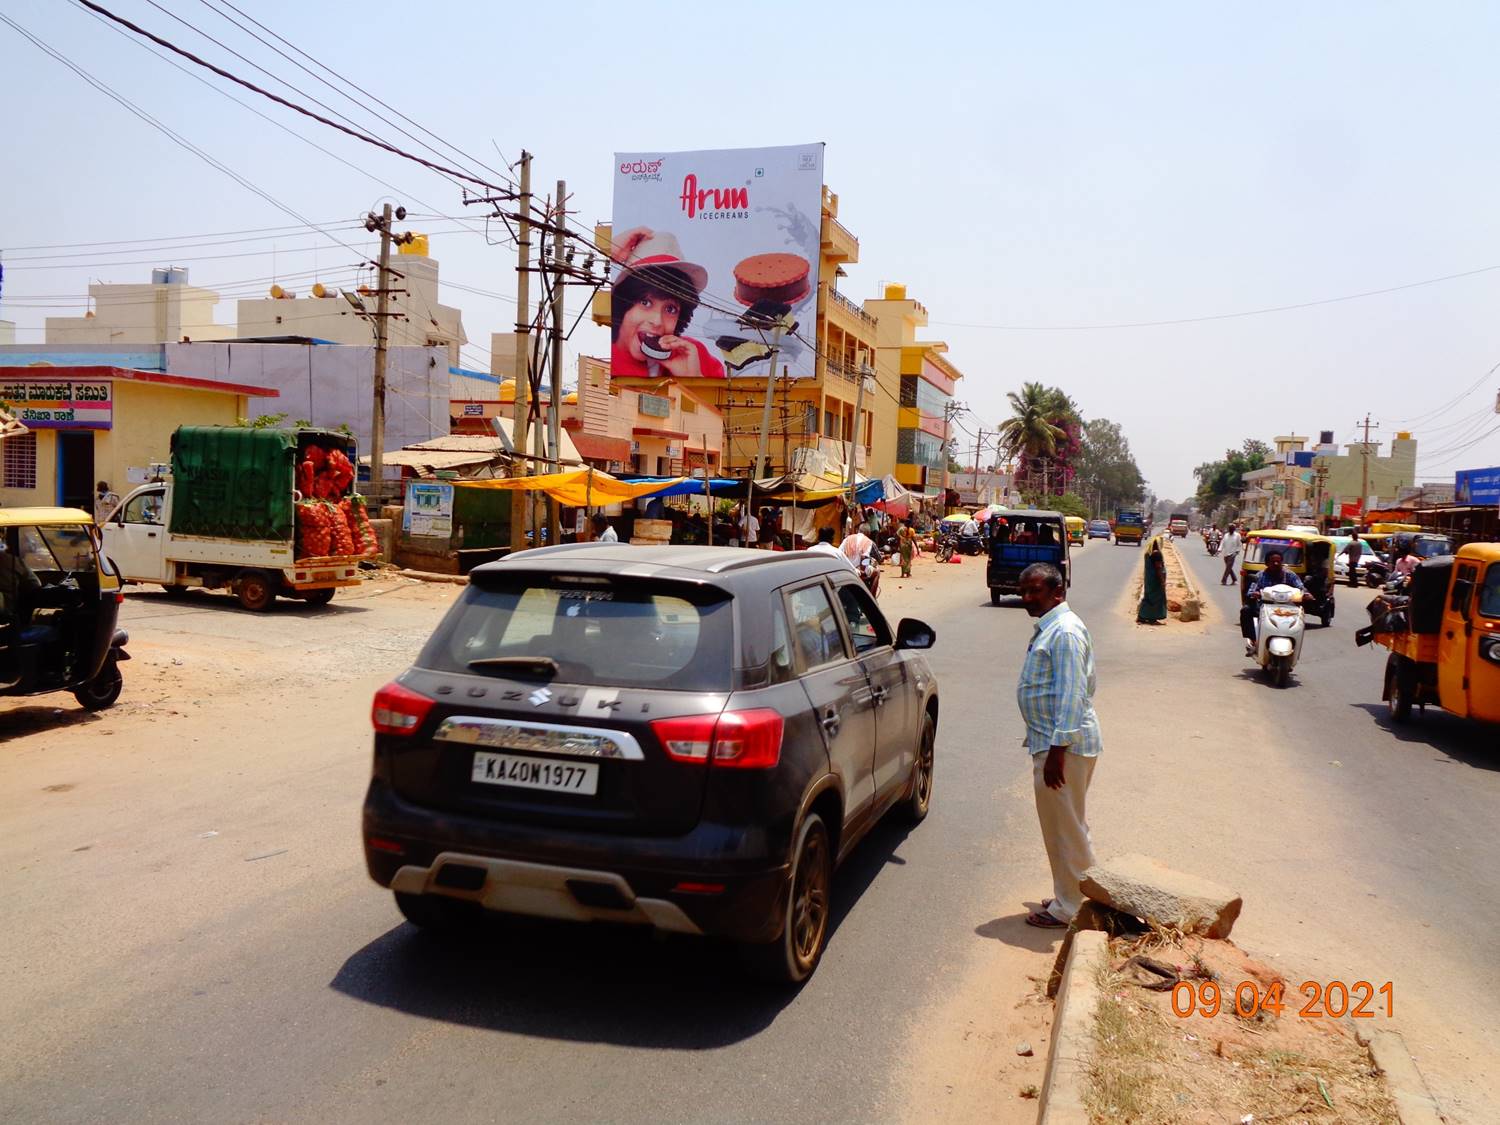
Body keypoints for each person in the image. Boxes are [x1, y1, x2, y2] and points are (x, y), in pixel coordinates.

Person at [1016, 563, 1102, 929]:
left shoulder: (1064, 632)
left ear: (1058, 592)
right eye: (1024, 591)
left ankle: (1075, 908)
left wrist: (1056, 752)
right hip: (1056, 744)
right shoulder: (1053, 628)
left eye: (1035, 591)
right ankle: (1071, 895)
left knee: (1066, 829)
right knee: (1065, 826)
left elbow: (1071, 695)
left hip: (1063, 748)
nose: (1027, 598)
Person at [608, 229, 726, 379]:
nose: (657, 321)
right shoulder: (604, 358)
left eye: (670, 309)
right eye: (645, 302)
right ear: (622, 306)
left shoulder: (694, 355)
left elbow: (725, 400)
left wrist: (694, 380)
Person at [1241, 550, 1305, 653]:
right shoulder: (1260, 575)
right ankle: (1254, 640)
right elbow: (1251, 590)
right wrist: (1255, 593)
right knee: (1246, 610)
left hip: (1288, 609)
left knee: (1301, 618)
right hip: (1265, 608)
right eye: (1273, 561)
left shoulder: (1290, 575)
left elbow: (1301, 587)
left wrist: (1306, 594)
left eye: (1278, 561)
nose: (1276, 564)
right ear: (1267, 563)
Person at [1137, 537, 1168, 624]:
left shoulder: (1148, 553)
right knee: (1156, 599)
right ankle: (1152, 618)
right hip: (1155, 581)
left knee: (1148, 598)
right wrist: (1162, 581)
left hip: (1149, 580)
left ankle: (1142, 617)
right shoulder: (1157, 554)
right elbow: (1158, 568)